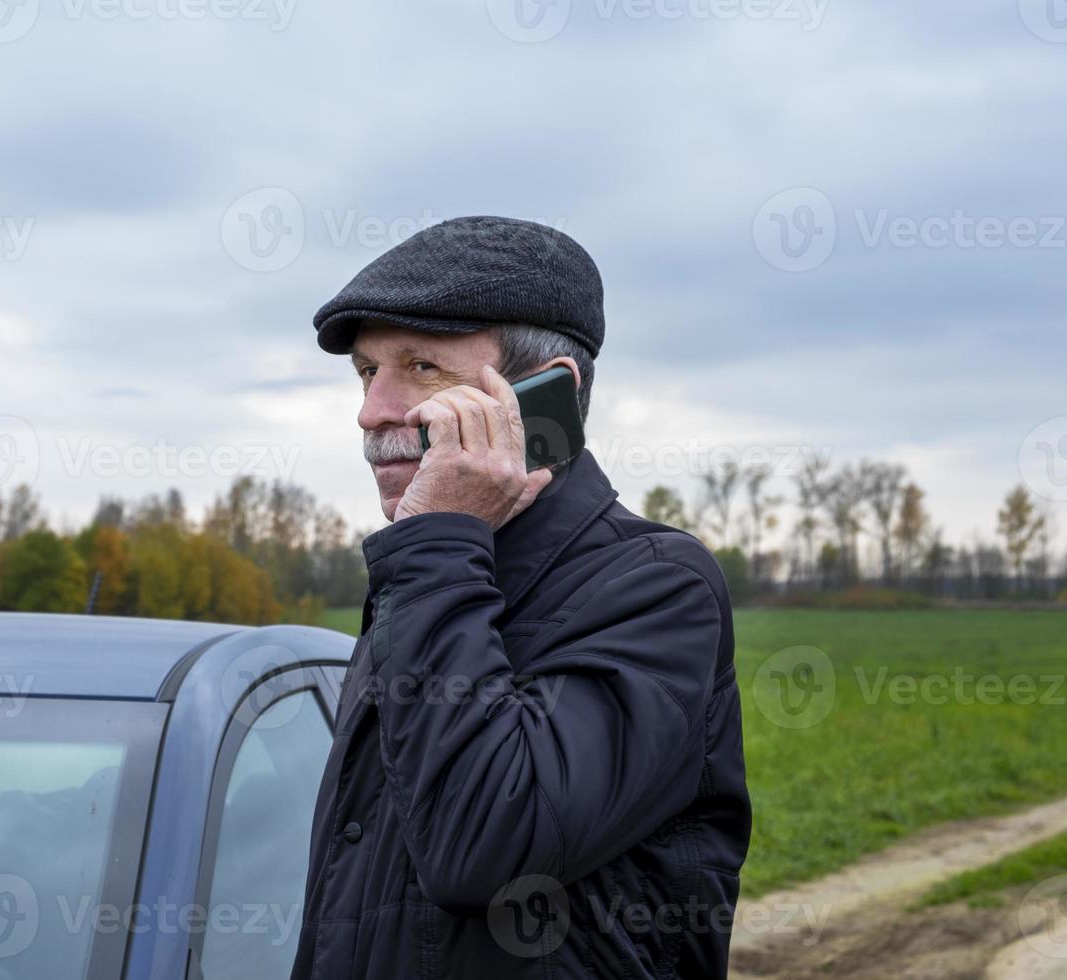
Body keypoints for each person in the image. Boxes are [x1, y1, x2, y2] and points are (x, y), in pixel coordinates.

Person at [288, 216, 752, 979]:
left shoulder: (658, 588)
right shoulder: (427, 578)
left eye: (422, 368)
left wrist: (438, 542)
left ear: (546, 400)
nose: (372, 411)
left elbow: (486, 848)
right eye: (368, 372)